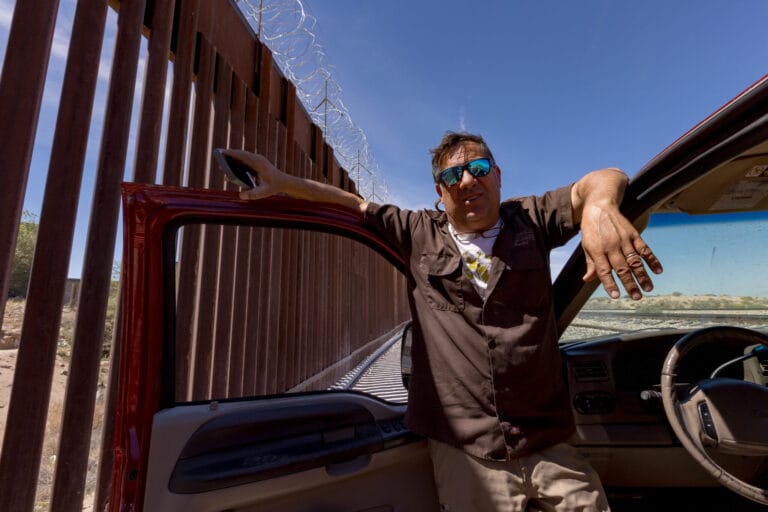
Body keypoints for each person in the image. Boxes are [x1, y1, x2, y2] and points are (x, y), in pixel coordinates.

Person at [222, 131, 662, 512]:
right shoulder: (417, 233)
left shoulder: (531, 219)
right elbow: (352, 204)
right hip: (468, 452)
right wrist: (283, 182)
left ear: (498, 174)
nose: (468, 180)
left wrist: (599, 208)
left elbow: (606, 176)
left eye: (479, 167)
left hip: (548, 441)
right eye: (453, 176)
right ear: (440, 192)